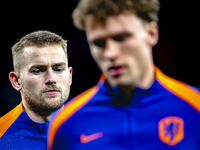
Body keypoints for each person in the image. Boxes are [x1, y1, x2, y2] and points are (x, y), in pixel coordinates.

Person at [48, 0, 200, 149]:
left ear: (151, 33)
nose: (110, 53)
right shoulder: (65, 125)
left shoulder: (195, 106)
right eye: (99, 43)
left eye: (121, 38)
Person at [0, 31, 72, 150]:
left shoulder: (95, 127)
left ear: (69, 76)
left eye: (58, 69)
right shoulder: (2, 135)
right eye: (38, 71)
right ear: (16, 81)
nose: (51, 79)